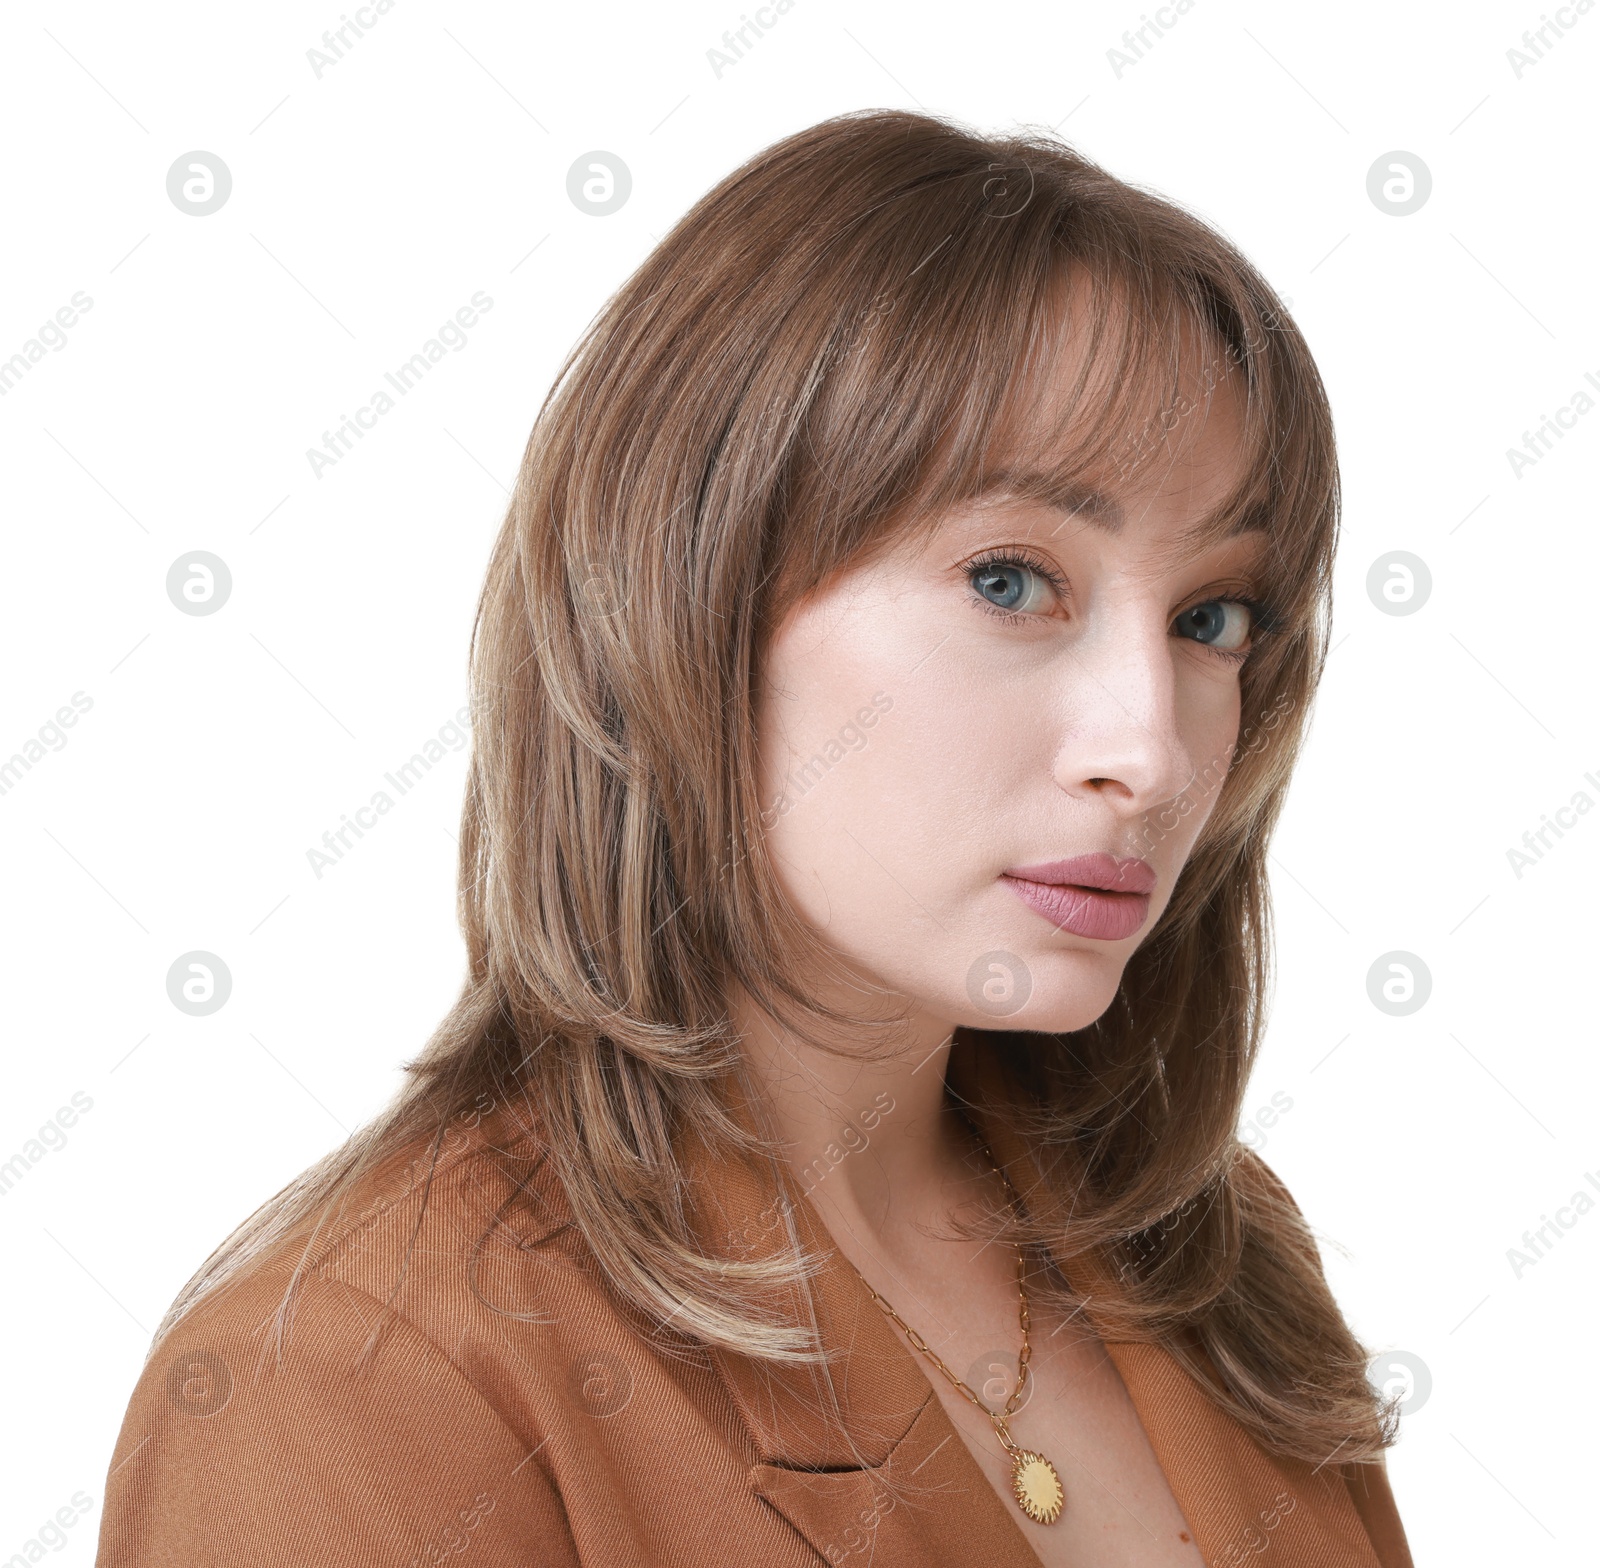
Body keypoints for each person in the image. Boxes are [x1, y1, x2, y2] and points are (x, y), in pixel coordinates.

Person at [96, 108, 1413, 1567]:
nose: (1150, 751)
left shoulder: (1214, 1253)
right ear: (687, 603)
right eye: (1008, 578)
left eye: (1212, 618)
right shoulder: (360, 1387)